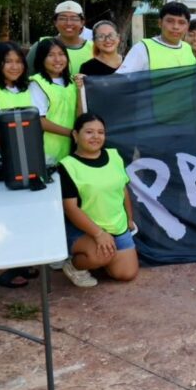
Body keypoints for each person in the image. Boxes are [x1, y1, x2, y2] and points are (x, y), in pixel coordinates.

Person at [58, 113, 138, 287]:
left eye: (100, 132)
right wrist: (99, 234)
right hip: (86, 230)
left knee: (126, 274)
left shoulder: (114, 155)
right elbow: (70, 208)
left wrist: (129, 219)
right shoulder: (67, 166)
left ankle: (103, 259)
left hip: (117, 227)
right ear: (75, 135)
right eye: (89, 132)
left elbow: (122, 189)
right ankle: (75, 265)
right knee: (101, 255)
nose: (96, 137)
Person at [29, 39, 78, 164]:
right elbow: (38, 120)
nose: (57, 59)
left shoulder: (72, 82)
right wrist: (72, 134)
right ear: (41, 59)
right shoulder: (36, 83)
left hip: (69, 149)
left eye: (61, 54)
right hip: (45, 150)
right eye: (51, 55)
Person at [117, 2, 196, 73]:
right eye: (170, 21)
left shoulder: (187, 48)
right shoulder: (143, 48)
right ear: (160, 23)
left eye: (181, 22)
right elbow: (121, 80)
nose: (175, 27)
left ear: (188, 26)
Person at [28, 1, 94, 76]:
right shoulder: (42, 45)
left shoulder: (94, 48)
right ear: (55, 22)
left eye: (74, 19)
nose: (68, 23)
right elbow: (26, 78)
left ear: (82, 23)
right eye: (63, 18)